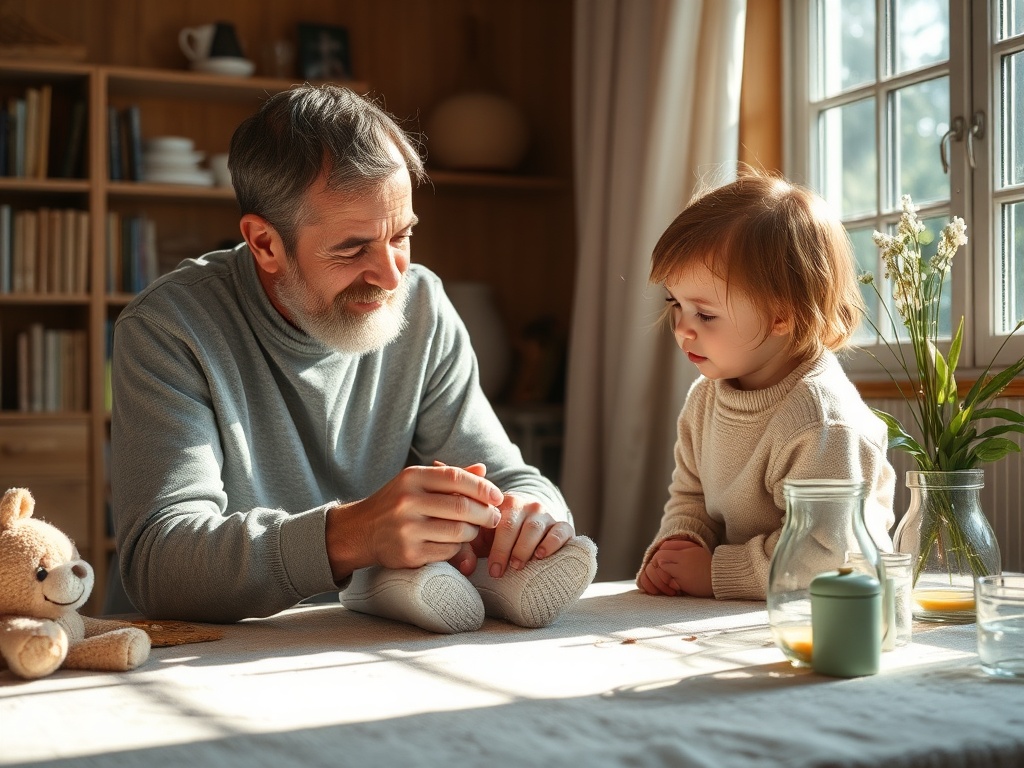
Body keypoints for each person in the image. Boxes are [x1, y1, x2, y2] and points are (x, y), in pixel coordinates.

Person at [110, 84, 596, 633]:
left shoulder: (424, 305)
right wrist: (352, 534)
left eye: (403, 235)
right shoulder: (169, 327)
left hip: (369, 638)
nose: (392, 277)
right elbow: (158, 561)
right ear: (265, 244)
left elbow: (511, 477)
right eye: (352, 248)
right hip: (202, 649)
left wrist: (529, 517)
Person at [636, 170, 895, 601]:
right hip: (750, 608)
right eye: (675, 304)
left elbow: (829, 555)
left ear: (781, 315)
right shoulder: (704, 400)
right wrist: (679, 547)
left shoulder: (823, 421)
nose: (682, 328)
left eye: (705, 314)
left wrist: (717, 571)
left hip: (830, 614)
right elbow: (691, 496)